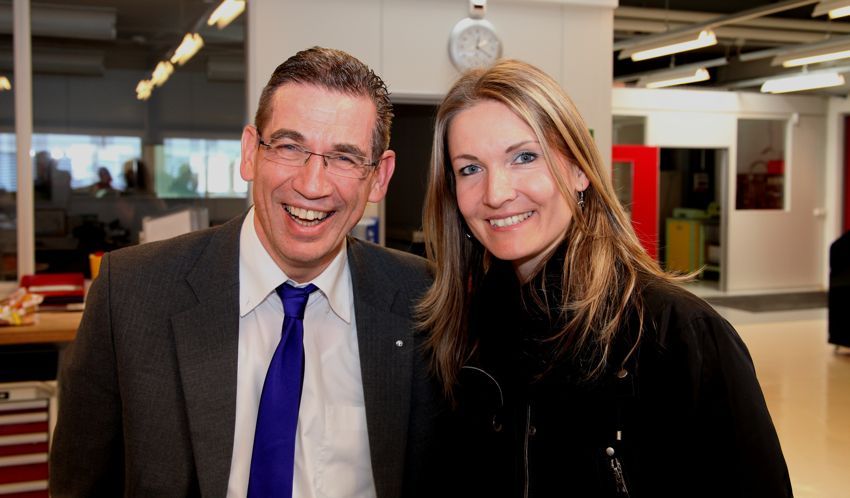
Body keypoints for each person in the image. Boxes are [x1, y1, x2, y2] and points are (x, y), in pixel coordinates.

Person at [50, 47, 441, 498]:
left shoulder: (423, 299)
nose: (312, 184)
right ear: (251, 152)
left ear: (379, 177)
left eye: (345, 157)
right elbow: (80, 483)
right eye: (290, 147)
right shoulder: (133, 292)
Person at [418, 59, 793, 497]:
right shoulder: (466, 327)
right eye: (470, 169)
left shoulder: (677, 332)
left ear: (579, 170)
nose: (496, 193)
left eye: (525, 157)